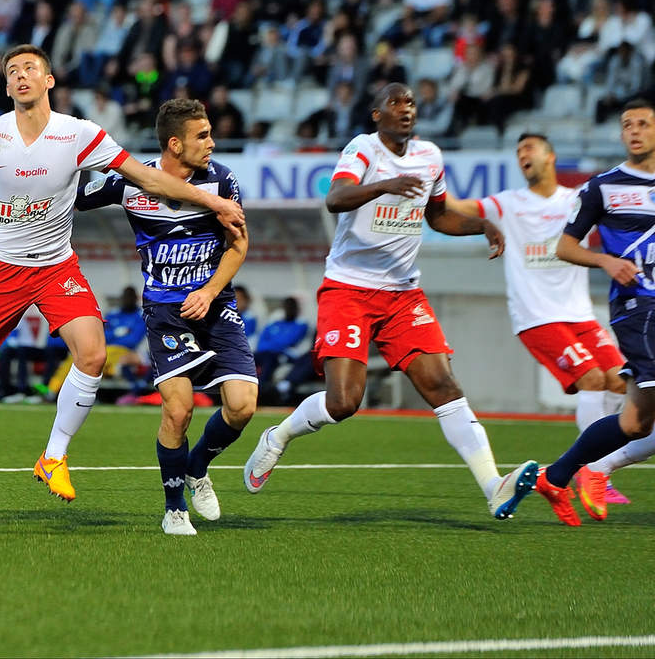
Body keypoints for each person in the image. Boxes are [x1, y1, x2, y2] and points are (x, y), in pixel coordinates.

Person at [0, 44, 245, 504]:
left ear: (49, 80)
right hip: (0, 268)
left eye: (30, 68)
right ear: (6, 86)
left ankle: (53, 457)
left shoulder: (79, 134)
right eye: (13, 71)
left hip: (56, 267)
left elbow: (148, 178)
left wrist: (214, 201)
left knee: (93, 354)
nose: (21, 75)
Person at [242, 82, 541, 520]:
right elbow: (335, 198)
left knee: (444, 387)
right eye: (395, 103)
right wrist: (386, 184)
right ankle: (278, 436)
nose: (406, 109)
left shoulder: (430, 156)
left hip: (402, 294)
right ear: (377, 114)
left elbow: (438, 216)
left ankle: (493, 487)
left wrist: (482, 225)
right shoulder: (363, 149)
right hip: (348, 289)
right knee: (343, 402)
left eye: (411, 103)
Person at [77, 98, 259, 535]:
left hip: (215, 305)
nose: (212, 143)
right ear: (175, 144)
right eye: (203, 136)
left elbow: (239, 245)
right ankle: (174, 509)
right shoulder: (129, 182)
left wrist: (209, 291)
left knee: (242, 407)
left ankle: (197, 466)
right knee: (178, 411)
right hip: (165, 311)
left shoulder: (223, 181)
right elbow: (76, 198)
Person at [447, 134, 632, 522]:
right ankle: (589, 471)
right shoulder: (508, 203)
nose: (522, 155)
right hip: (537, 316)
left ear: (550, 156)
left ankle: (593, 469)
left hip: (580, 314)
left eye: (529, 148)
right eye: (518, 151)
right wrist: (429, 180)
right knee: (592, 379)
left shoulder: (576, 199)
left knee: (620, 380)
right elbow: (456, 206)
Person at [533, 100, 655, 526]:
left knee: (636, 423)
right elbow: (565, 246)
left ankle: (559, 476)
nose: (634, 130)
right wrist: (605, 260)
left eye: (643, 123)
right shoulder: (603, 187)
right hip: (640, 309)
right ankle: (592, 471)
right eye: (627, 124)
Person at [252, 296, 309, 392]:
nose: (289, 309)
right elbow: (261, 341)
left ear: (297, 309)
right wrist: (273, 345)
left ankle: (259, 390)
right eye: (287, 306)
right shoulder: (275, 323)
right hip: (265, 352)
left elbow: (288, 341)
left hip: (284, 354)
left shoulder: (301, 325)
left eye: (292, 306)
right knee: (245, 359)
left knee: (268, 361)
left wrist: (272, 344)